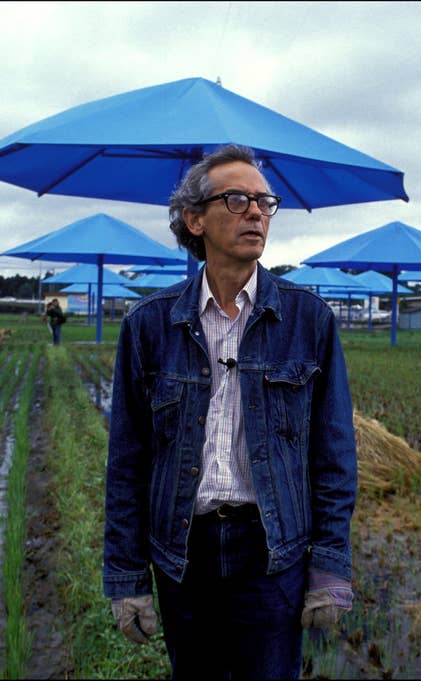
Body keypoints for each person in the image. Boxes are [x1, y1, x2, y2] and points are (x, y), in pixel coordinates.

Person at [103, 144, 358, 679]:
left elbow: (334, 456)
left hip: (272, 550)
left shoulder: (309, 321)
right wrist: (127, 578)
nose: (257, 213)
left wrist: (330, 568)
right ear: (193, 220)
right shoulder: (148, 325)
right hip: (181, 551)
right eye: (237, 199)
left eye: (265, 202)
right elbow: (127, 462)